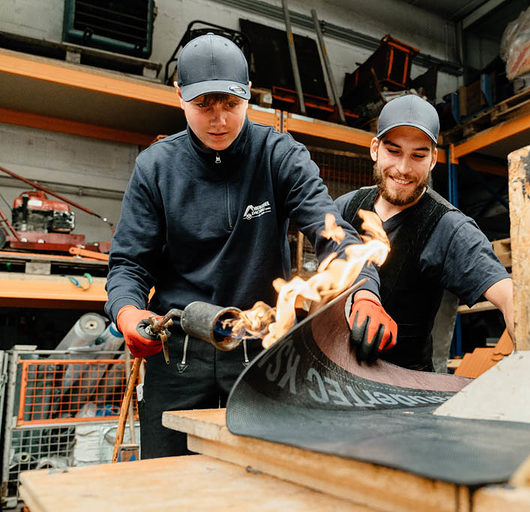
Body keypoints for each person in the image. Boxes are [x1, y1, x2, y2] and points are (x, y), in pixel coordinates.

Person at [106, 33, 395, 459]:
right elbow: (130, 264)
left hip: (259, 352)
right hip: (178, 354)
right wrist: (127, 310)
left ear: (248, 97)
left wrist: (365, 291)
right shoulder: (155, 168)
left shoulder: (279, 155)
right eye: (204, 105)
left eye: (231, 104)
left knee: (267, 476)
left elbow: (333, 233)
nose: (219, 119)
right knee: (168, 486)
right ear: (179, 95)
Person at [335, 94, 515, 372]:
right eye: (393, 151)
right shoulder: (347, 207)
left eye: (418, 155)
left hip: (402, 389)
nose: (403, 169)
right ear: (375, 149)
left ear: (432, 159)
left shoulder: (448, 227)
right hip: (334, 375)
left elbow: (508, 294)